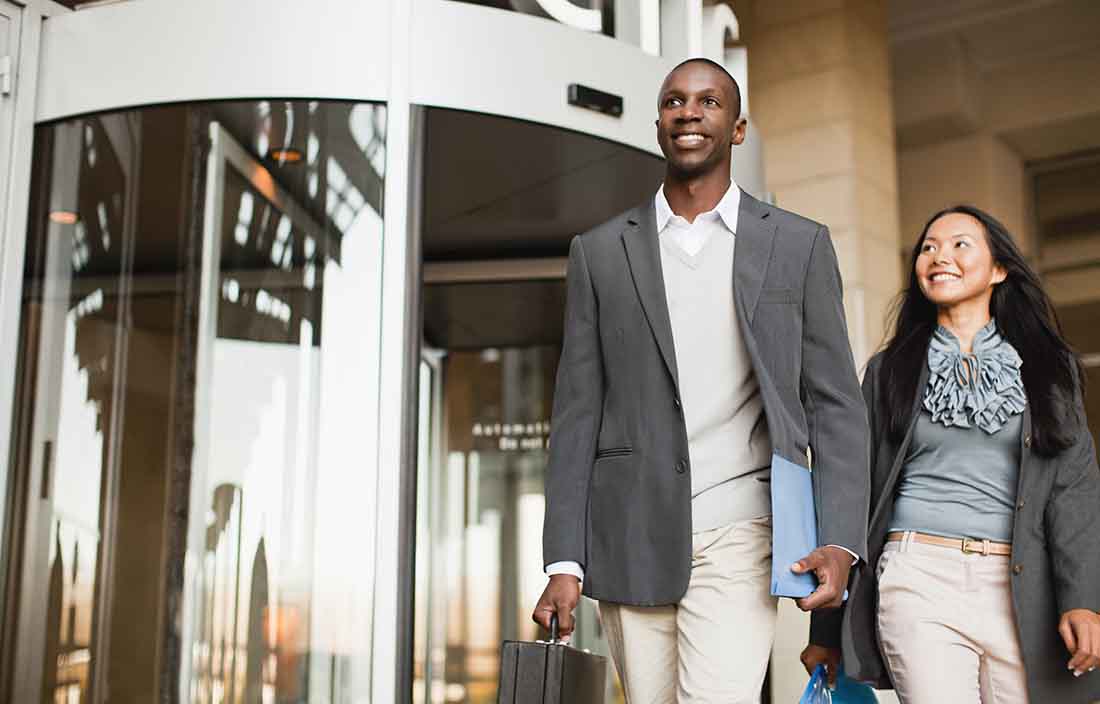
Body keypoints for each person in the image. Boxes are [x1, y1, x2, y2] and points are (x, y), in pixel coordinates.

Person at [532, 57, 870, 703]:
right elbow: (578, 410)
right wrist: (564, 561)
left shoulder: (797, 244)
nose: (689, 112)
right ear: (658, 122)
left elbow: (834, 403)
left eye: (709, 101)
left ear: (737, 128)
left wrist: (839, 539)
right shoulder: (601, 250)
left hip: (745, 530)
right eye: (675, 101)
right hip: (629, 530)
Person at [801, 205, 1100, 703]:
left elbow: (1074, 490)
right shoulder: (889, 370)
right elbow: (854, 492)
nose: (940, 256)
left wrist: (1084, 602)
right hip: (917, 575)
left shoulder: (1050, 369)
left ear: (999, 269)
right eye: (929, 247)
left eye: (961, 244)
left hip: (1020, 585)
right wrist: (825, 632)